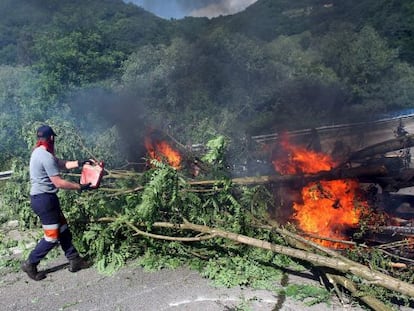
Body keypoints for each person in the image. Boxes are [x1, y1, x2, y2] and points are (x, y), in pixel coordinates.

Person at [21, 124, 93, 281]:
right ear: (51, 138)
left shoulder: (39, 152)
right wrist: (80, 187)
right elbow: (58, 183)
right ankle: (30, 263)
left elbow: (61, 163)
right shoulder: (45, 156)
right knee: (52, 237)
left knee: (63, 228)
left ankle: (74, 259)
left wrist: (80, 163)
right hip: (44, 200)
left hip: (45, 199)